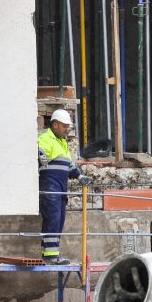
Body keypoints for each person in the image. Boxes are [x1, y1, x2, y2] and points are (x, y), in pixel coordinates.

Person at [38, 109, 92, 264]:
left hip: (60, 189)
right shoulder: (46, 138)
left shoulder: (62, 143)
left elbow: (69, 166)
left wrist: (80, 176)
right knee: (53, 220)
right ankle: (51, 256)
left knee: (58, 221)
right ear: (55, 125)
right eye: (64, 126)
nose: (67, 129)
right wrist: (39, 156)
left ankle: (50, 253)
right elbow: (38, 151)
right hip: (50, 187)